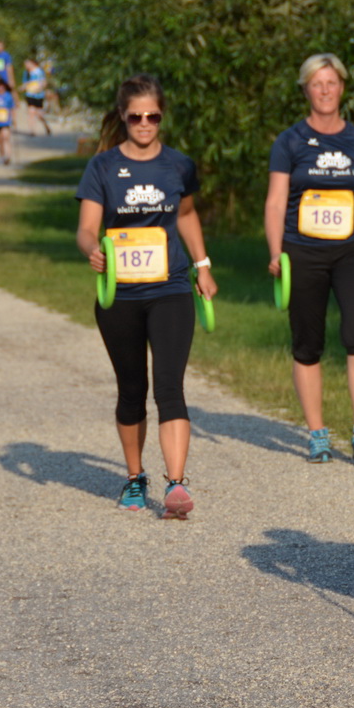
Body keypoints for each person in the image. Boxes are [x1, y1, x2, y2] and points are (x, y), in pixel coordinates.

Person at [75, 74, 216, 519]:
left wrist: (203, 265)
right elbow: (85, 226)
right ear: (122, 117)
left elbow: (188, 215)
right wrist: (92, 249)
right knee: (132, 389)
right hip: (120, 295)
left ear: (162, 116)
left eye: (152, 116)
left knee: (170, 387)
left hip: (171, 288)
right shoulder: (101, 167)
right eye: (135, 116)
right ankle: (136, 476)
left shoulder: (178, 165)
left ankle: (176, 485)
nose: (144, 123)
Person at [265, 53, 354, 466]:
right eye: (316, 83)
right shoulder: (290, 142)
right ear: (305, 90)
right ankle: (317, 434)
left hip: (352, 250)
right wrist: (275, 252)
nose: (324, 90)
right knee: (307, 343)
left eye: (331, 83)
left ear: (342, 88)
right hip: (303, 251)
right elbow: (276, 201)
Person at [21, 58, 50, 135]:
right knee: (31, 112)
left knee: (39, 114)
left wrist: (40, 88)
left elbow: (44, 82)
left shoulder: (39, 71)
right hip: (30, 94)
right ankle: (32, 130)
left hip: (39, 95)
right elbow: (25, 83)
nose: (26, 66)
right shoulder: (26, 73)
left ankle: (46, 125)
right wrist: (22, 88)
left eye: (27, 64)